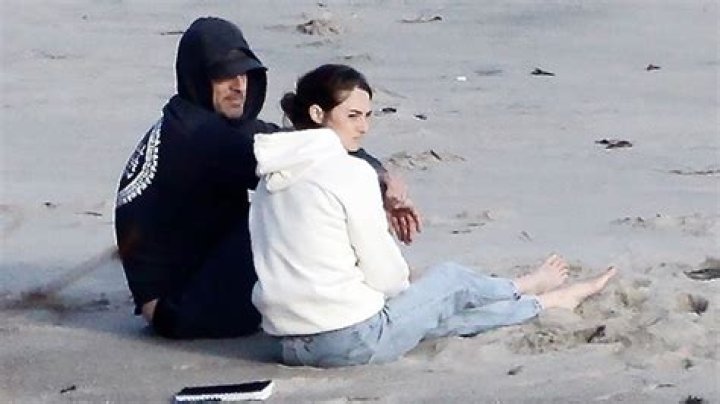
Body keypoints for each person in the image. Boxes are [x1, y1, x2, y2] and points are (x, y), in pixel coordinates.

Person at [249, 64, 618, 367]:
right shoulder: (350, 172)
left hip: (286, 344)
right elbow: (388, 277)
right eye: (353, 116)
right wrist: (404, 292)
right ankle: (523, 287)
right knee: (449, 280)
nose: (364, 127)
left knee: (435, 315)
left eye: (368, 116)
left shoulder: (269, 177)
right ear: (318, 114)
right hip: (349, 341)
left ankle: (545, 302)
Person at [114, 18, 415, 339]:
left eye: (245, 74)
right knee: (296, 197)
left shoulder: (193, 118)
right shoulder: (199, 136)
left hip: (180, 287)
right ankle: (342, 301)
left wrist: (380, 177)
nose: (239, 86)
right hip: (176, 309)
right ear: (197, 77)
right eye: (225, 76)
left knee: (291, 191)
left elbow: (294, 142)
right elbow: (311, 157)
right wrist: (376, 184)